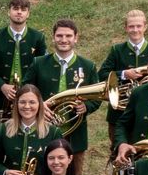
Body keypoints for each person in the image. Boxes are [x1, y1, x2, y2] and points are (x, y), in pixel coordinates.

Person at [98, 10, 148, 175]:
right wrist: (124, 74)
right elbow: (102, 74)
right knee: (118, 149)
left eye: (138, 26)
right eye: (131, 26)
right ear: (126, 28)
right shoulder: (117, 50)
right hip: (119, 111)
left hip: (147, 112)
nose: (135, 30)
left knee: (146, 151)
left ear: (145, 26)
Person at [24, 19, 99, 157]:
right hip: (43, 129)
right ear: (53, 38)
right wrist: (39, 105)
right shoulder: (38, 63)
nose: (64, 40)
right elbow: (25, 91)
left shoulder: (88, 66)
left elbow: (96, 98)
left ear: (76, 38)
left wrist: (86, 106)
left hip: (75, 134)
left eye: (68, 36)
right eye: (59, 36)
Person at [0, 0, 47, 143]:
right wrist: (2, 86)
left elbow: (42, 69)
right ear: (9, 12)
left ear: (28, 14)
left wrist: (28, 90)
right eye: (15, 9)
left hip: (28, 100)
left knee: (27, 137)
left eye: (23, 10)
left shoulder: (38, 38)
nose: (19, 12)